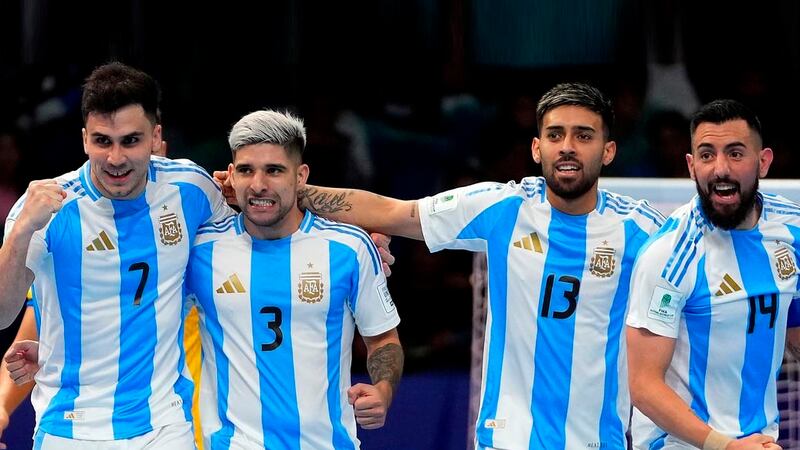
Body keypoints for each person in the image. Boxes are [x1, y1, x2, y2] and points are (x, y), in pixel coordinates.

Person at [279, 83, 666, 449]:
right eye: (554, 134)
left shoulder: (643, 229)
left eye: (583, 135)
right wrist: (282, 191)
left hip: (600, 441)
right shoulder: (503, 208)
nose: (567, 147)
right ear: (536, 148)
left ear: (609, 150)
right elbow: (396, 211)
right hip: (505, 440)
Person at [0, 62, 233, 448]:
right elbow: (4, 313)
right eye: (102, 141)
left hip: (164, 425)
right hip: (69, 427)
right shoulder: (44, 208)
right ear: (84, 139)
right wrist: (22, 230)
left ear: (156, 137)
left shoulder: (192, 189)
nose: (115, 158)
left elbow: (251, 243)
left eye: (130, 140)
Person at [185, 109, 403, 449]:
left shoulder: (349, 249)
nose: (258, 184)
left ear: (301, 176)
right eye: (246, 170)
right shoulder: (199, 250)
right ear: (230, 174)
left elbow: (383, 338)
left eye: (274, 170)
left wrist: (384, 390)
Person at [626, 99, 799, 449]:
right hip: (681, 444)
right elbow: (644, 386)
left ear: (763, 162)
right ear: (691, 166)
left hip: (760, 442)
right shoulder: (669, 255)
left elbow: (792, 324)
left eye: (735, 153)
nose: (720, 169)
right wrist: (728, 447)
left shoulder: (791, 229)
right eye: (706, 155)